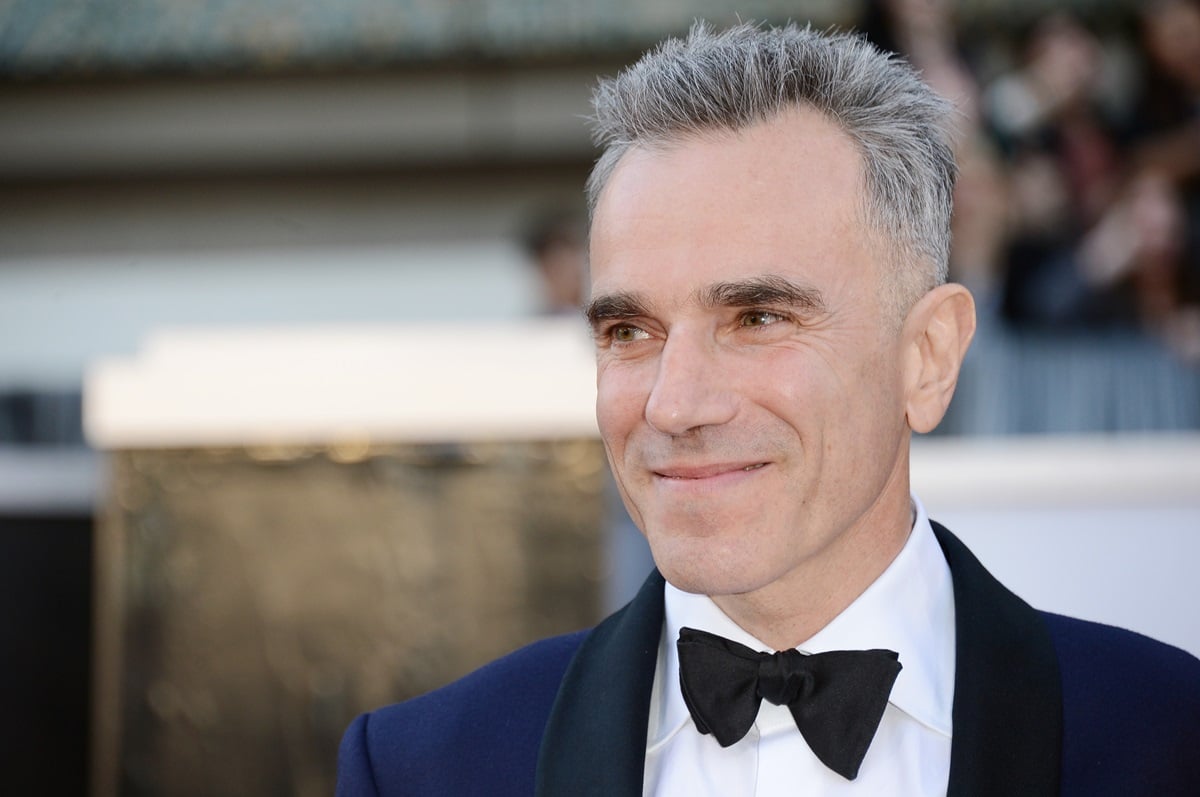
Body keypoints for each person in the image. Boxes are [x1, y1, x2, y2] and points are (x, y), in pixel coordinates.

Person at [337, 22, 1200, 796]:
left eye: (757, 318)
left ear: (928, 357)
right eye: (630, 330)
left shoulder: (1169, 740)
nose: (673, 405)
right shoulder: (423, 768)